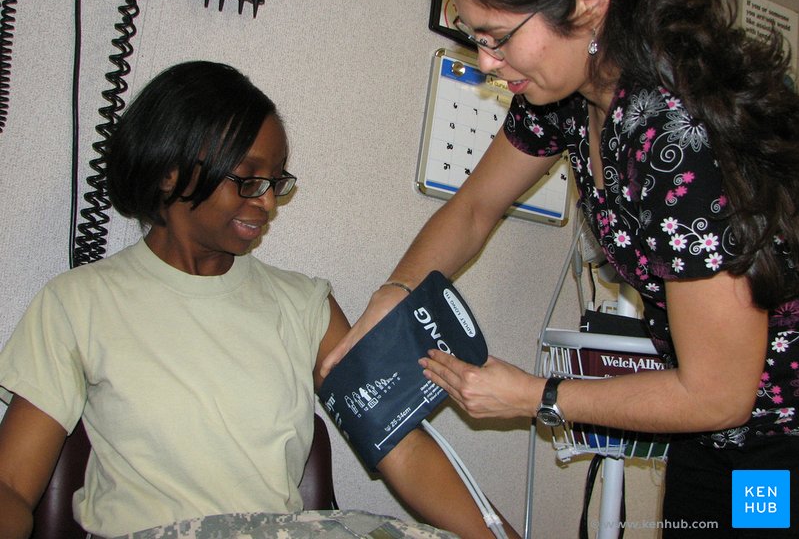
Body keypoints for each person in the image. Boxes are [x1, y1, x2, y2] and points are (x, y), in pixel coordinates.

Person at [321, 0, 799, 536]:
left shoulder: (683, 143)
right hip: (712, 436)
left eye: (497, 36)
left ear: (589, 3)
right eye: (474, 37)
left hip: (778, 441)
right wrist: (395, 293)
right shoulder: (566, 97)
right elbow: (474, 208)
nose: (486, 62)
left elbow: (717, 393)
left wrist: (537, 396)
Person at [0, 61, 519, 539]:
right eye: (248, 179)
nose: (267, 202)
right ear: (169, 172)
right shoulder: (78, 304)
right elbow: (11, 485)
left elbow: (401, 448)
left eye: (275, 181)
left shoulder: (304, 306)